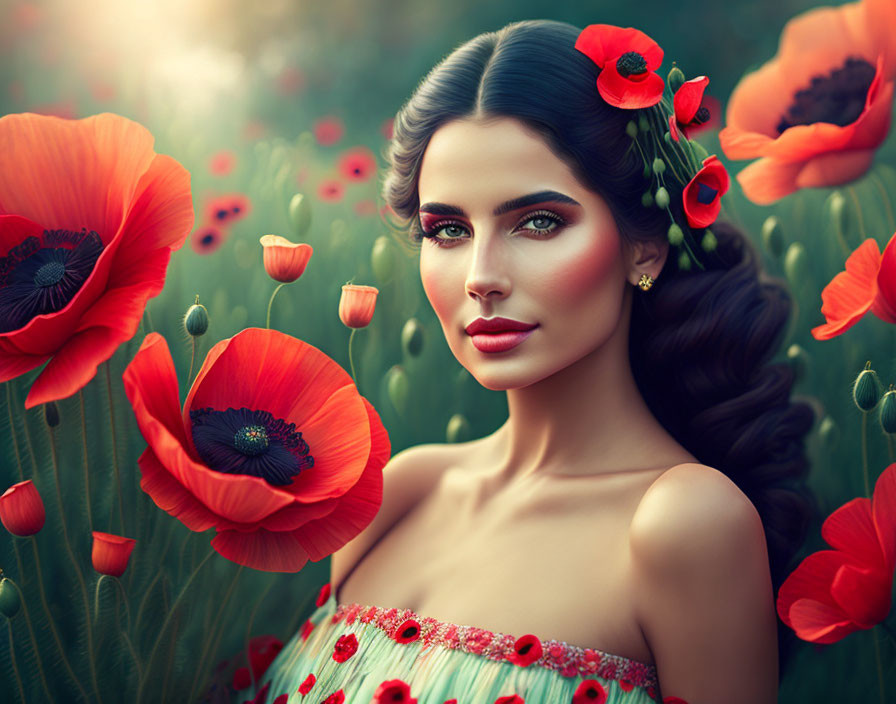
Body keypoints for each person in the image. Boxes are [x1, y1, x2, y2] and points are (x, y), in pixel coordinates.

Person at [249, 19, 817, 704]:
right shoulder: (402, 490)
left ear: (645, 245)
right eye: (449, 230)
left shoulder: (685, 524)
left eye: (539, 222)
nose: (480, 276)